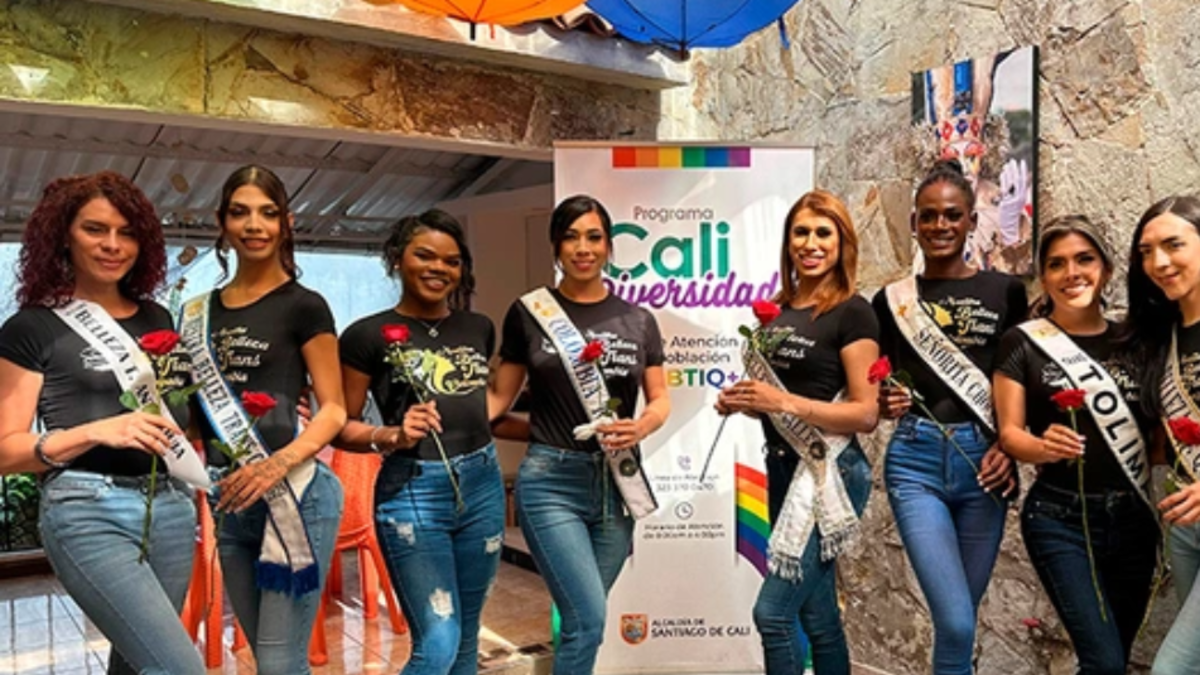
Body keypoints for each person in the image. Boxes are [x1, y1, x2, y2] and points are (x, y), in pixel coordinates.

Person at [0, 172, 205, 674]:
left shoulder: (158, 319)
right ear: (63, 236)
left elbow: (178, 420)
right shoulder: (32, 327)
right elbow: (5, 452)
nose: (113, 245)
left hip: (170, 507)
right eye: (95, 229)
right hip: (87, 509)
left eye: (127, 232)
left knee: (137, 663)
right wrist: (96, 431)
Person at [489, 195, 671, 675]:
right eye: (570, 237)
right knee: (587, 619)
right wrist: (450, 415)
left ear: (609, 246)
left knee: (579, 622)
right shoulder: (529, 313)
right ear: (555, 245)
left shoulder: (639, 320)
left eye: (594, 237)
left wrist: (641, 425)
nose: (583, 248)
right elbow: (497, 402)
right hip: (551, 481)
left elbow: (660, 400)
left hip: (617, 483)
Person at [180, 164, 346, 675]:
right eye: (240, 213)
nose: (254, 225)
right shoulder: (196, 313)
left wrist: (276, 465)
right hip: (231, 499)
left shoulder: (305, 306)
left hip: (294, 493)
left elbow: (334, 408)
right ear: (222, 222)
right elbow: (194, 419)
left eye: (268, 213)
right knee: (267, 657)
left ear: (286, 223)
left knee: (278, 662)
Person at [871, 159, 1024, 675]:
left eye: (953, 215)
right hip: (914, 463)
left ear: (971, 221)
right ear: (914, 222)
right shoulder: (891, 301)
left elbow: (1020, 380)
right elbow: (875, 389)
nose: (940, 225)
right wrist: (885, 401)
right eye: (929, 215)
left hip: (986, 465)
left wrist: (1008, 444)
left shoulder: (1006, 292)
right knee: (956, 621)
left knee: (960, 622)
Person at [718, 189, 878, 675]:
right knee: (818, 615)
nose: (811, 243)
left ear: (842, 243)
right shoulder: (778, 311)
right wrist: (748, 404)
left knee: (773, 614)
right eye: (801, 232)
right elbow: (778, 403)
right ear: (788, 242)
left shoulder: (853, 311)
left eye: (823, 233)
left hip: (828, 470)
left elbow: (865, 413)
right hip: (783, 466)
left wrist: (782, 403)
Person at [337, 210, 504, 675]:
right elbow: (342, 425)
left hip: (483, 484)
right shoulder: (365, 335)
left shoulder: (479, 328)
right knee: (439, 639)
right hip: (412, 490)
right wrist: (391, 435)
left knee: (465, 639)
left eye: (451, 261)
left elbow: (480, 405)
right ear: (397, 258)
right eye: (425, 256)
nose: (438, 268)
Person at [994, 215, 1158, 675]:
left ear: (1106, 269)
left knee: (1114, 660)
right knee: (1103, 662)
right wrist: (1042, 447)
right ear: (1044, 277)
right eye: (1056, 264)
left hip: (1134, 520)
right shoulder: (1022, 342)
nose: (1072, 273)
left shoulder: (1137, 341)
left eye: (1084, 259)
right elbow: (1010, 434)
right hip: (1059, 518)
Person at [1121, 195, 1200, 675]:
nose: (1159, 263)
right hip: (1185, 525)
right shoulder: (1162, 335)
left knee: (1173, 667)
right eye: (1146, 252)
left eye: (1173, 245)